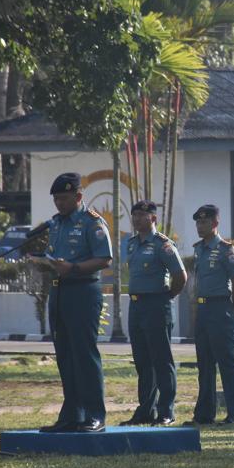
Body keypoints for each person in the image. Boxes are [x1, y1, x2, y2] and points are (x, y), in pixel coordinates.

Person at [37, 172, 114, 433]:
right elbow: (55, 257)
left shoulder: (91, 222)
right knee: (65, 356)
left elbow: (105, 258)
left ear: (78, 196)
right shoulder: (56, 224)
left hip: (83, 290)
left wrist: (74, 267)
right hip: (60, 291)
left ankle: (94, 415)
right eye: (56, 199)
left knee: (84, 355)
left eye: (64, 198)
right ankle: (72, 414)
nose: (59, 203)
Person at [121, 200, 186, 426]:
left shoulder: (163, 245)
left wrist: (167, 296)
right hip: (136, 305)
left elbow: (180, 276)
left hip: (156, 305)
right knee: (142, 361)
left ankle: (166, 411)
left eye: (142, 215)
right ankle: (145, 410)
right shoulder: (131, 244)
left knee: (161, 360)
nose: (137, 219)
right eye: (134, 215)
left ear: (153, 218)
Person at [184, 204, 234, 427]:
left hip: (220, 308)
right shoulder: (199, 249)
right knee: (205, 364)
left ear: (215, 223)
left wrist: (233, 309)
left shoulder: (226, 250)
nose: (200, 226)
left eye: (205, 222)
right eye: (198, 222)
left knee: (227, 362)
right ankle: (204, 414)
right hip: (203, 309)